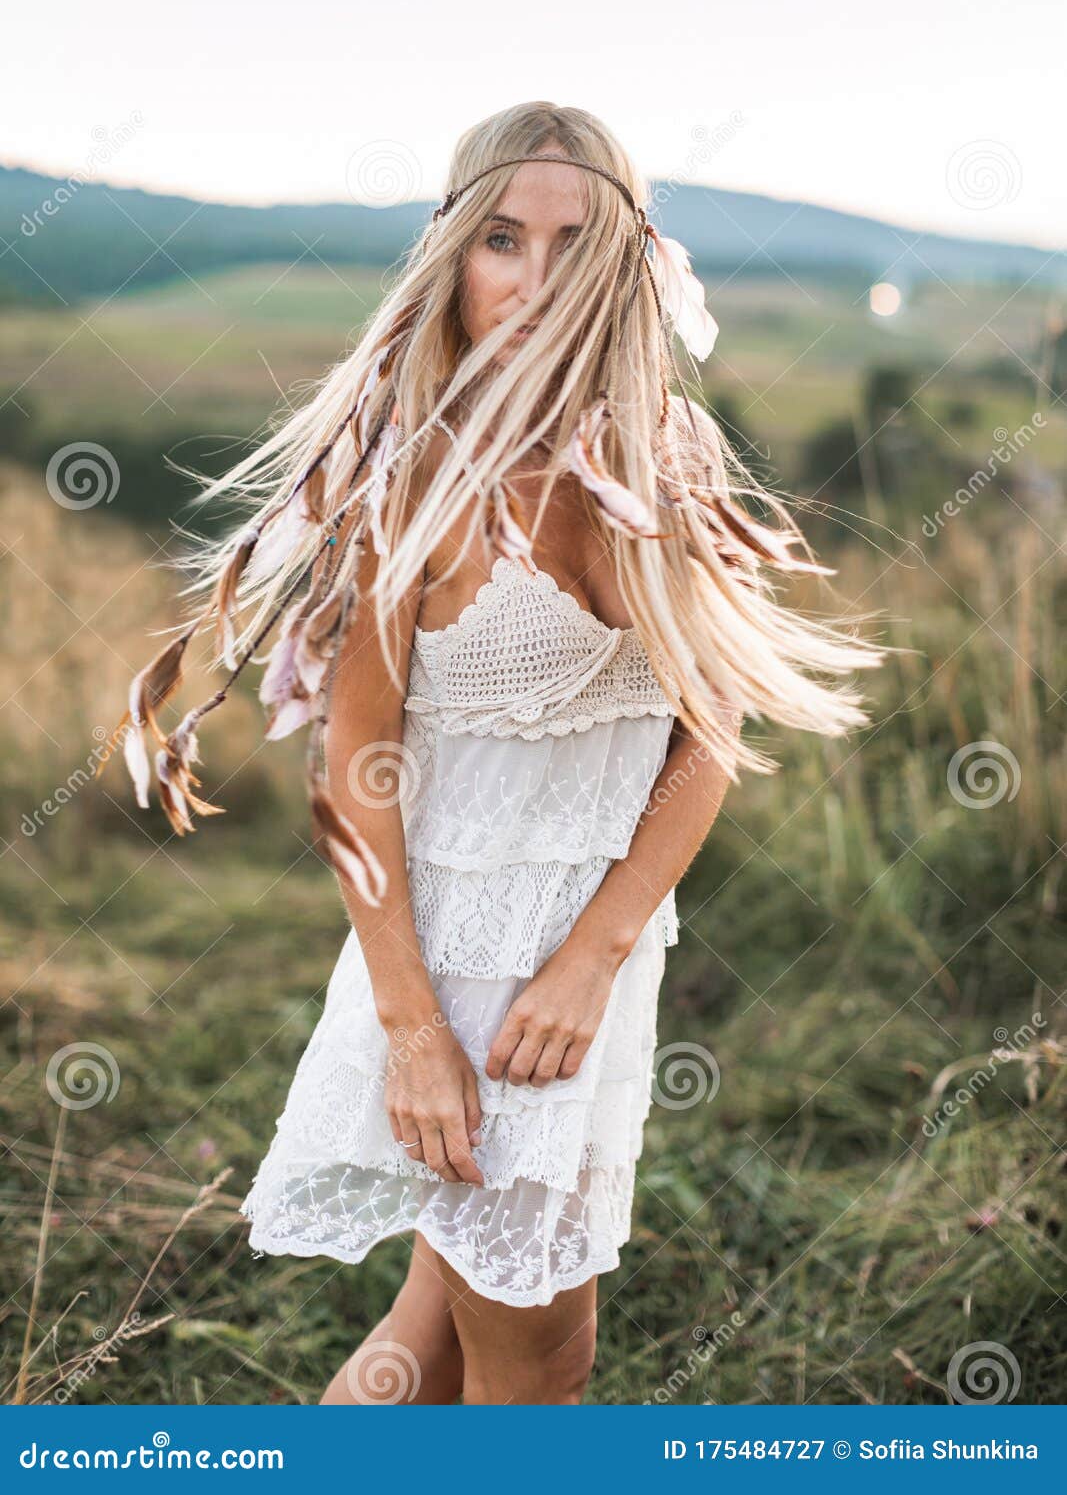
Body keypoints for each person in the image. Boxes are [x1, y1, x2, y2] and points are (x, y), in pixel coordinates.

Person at [111, 101, 885, 1405]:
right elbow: (351, 771)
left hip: (574, 976)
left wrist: (596, 954)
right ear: (455, 249)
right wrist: (414, 1029)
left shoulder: (663, 458)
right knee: (541, 1357)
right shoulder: (410, 478)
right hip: (452, 976)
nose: (531, 280)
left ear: (625, 261)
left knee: (442, 1325)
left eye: (571, 242)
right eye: (503, 238)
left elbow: (709, 730)